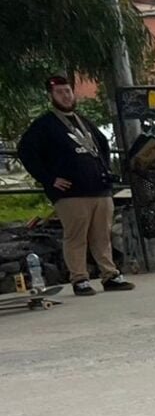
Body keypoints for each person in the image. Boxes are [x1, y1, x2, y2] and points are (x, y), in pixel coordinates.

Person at [16, 76, 133, 295]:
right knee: (76, 236)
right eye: (59, 92)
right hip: (71, 193)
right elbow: (26, 152)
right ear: (51, 96)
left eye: (67, 91)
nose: (65, 96)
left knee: (102, 236)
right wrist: (49, 178)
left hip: (99, 189)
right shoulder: (44, 125)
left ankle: (110, 274)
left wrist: (104, 170)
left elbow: (102, 144)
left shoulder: (83, 121)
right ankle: (79, 278)